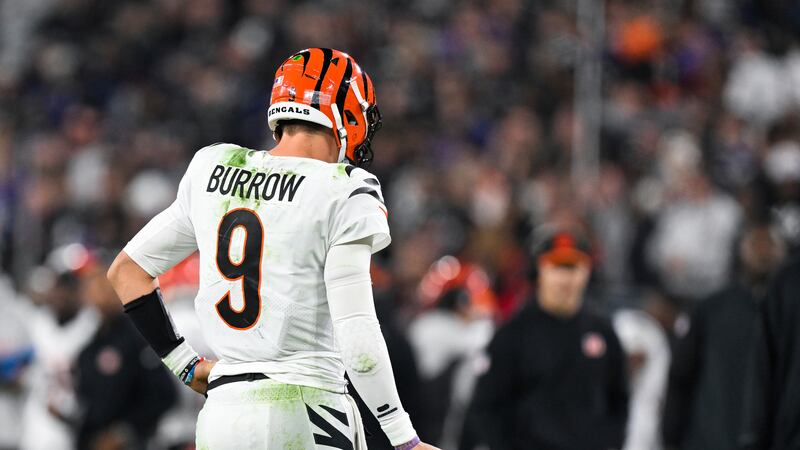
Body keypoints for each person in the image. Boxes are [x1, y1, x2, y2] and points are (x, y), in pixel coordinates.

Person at [107, 48, 437, 450]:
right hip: (307, 406)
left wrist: (185, 365)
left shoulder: (212, 166)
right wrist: (403, 437)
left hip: (222, 414)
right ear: (347, 116)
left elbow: (126, 272)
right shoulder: (344, 188)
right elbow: (356, 330)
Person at [461, 226, 629, 450]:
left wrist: (610, 442)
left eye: (574, 267)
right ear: (539, 270)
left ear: (587, 271)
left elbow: (619, 400)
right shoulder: (513, 333)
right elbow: (485, 407)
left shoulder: (602, 331)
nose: (566, 278)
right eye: (557, 267)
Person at [663, 223, 785, 450]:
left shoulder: (790, 310)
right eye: (756, 244)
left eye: (769, 245)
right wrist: (671, 435)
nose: (763, 252)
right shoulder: (712, 308)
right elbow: (682, 373)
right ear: (741, 250)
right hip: (713, 437)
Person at [74, 259, 177, 450]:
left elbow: (163, 394)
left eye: (104, 285)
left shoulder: (139, 337)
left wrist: (124, 432)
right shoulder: (89, 347)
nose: (99, 292)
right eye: (92, 285)